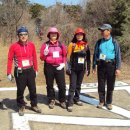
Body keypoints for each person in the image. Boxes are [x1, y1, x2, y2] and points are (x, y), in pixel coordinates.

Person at [7, 26, 41, 116]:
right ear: (18, 36)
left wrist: (36, 69)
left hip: (30, 70)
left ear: (28, 35)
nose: (23, 36)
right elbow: (10, 59)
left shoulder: (32, 45)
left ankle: (34, 105)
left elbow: (34, 57)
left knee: (33, 89)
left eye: (25, 34)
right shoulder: (14, 46)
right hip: (20, 71)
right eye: (21, 34)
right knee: (20, 90)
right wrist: (8, 73)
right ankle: (21, 105)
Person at [92, 24, 121, 110]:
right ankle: (101, 101)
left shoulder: (114, 42)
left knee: (110, 84)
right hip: (101, 65)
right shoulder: (99, 42)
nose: (101, 32)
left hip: (111, 65)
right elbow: (95, 54)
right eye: (101, 30)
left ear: (109, 31)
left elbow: (118, 55)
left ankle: (109, 102)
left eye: (103, 30)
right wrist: (94, 66)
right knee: (101, 84)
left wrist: (118, 68)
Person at [40, 27, 67, 109]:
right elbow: (41, 58)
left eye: (55, 34)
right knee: (49, 85)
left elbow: (65, 55)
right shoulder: (45, 45)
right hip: (49, 67)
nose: (53, 35)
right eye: (52, 34)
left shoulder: (61, 45)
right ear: (49, 35)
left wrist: (63, 63)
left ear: (57, 35)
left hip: (59, 66)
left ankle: (62, 100)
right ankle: (51, 99)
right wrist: (45, 54)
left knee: (62, 85)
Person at [66, 28, 91, 112]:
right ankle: (70, 102)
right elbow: (68, 58)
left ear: (83, 36)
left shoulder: (86, 45)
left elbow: (88, 58)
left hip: (82, 69)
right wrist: (68, 68)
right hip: (73, 69)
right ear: (75, 36)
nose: (79, 36)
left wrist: (88, 68)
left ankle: (76, 98)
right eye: (78, 34)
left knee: (78, 85)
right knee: (72, 86)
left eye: (81, 34)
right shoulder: (72, 45)